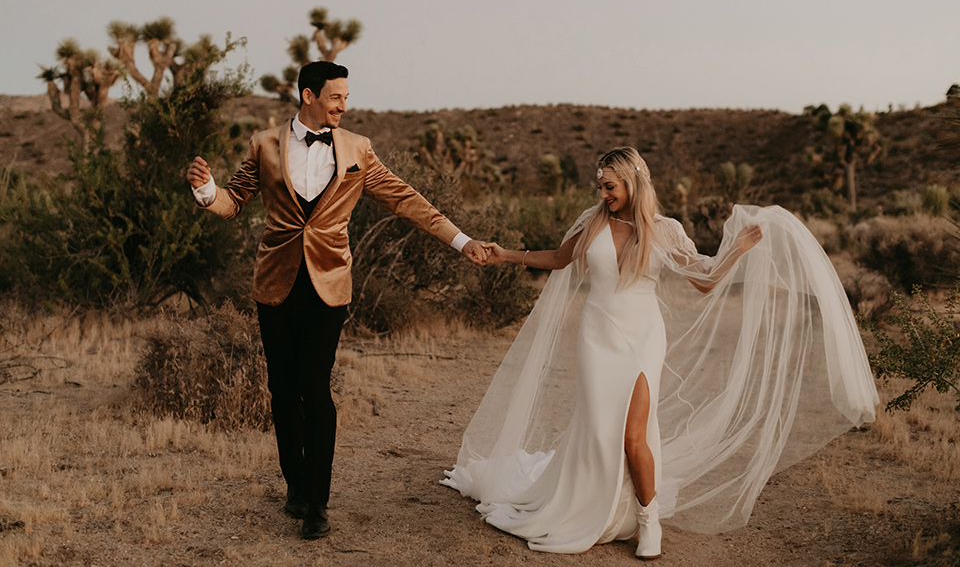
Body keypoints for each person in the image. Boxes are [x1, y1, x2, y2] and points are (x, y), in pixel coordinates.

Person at [442, 147, 878, 559]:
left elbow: (703, 280)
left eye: (609, 186)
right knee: (598, 430)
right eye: (600, 186)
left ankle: (648, 521)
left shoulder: (665, 229)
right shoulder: (591, 221)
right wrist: (506, 256)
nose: (603, 194)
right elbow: (559, 259)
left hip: (643, 336)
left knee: (634, 435)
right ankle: (590, 503)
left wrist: (736, 250)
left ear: (633, 181)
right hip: (597, 334)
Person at [186, 61, 487, 540]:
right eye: (336, 97)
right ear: (308, 95)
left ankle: (318, 505)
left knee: (315, 389)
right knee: (282, 392)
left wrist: (461, 240)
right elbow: (233, 200)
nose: (344, 105)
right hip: (275, 285)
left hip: (329, 285)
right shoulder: (264, 145)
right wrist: (206, 192)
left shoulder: (357, 150)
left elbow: (406, 199)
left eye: (346, 97)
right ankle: (296, 486)